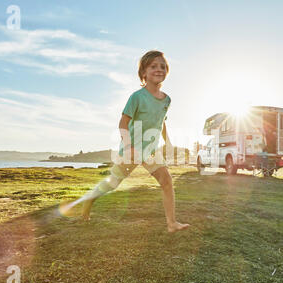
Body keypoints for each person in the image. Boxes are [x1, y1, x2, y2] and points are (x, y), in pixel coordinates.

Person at [61, 50, 189, 233]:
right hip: (132, 149)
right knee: (113, 183)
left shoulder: (166, 100)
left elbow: (161, 123)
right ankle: (89, 201)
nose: (159, 69)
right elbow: (123, 122)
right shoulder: (137, 97)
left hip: (151, 150)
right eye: (153, 66)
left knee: (166, 181)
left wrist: (168, 142)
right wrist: (128, 147)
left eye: (162, 66)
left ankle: (172, 224)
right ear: (143, 73)